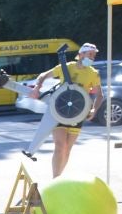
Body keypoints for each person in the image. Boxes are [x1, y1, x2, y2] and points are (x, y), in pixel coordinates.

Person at [29, 41, 104, 177]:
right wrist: (37, 87)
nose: (92, 57)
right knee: (60, 146)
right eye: (90, 54)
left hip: (78, 113)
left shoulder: (93, 73)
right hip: (60, 111)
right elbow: (43, 75)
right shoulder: (66, 67)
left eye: (94, 55)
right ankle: (55, 178)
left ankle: (60, 177)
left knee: (67, 149)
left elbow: (100, 95)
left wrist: (94, 110)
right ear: (81, 54)